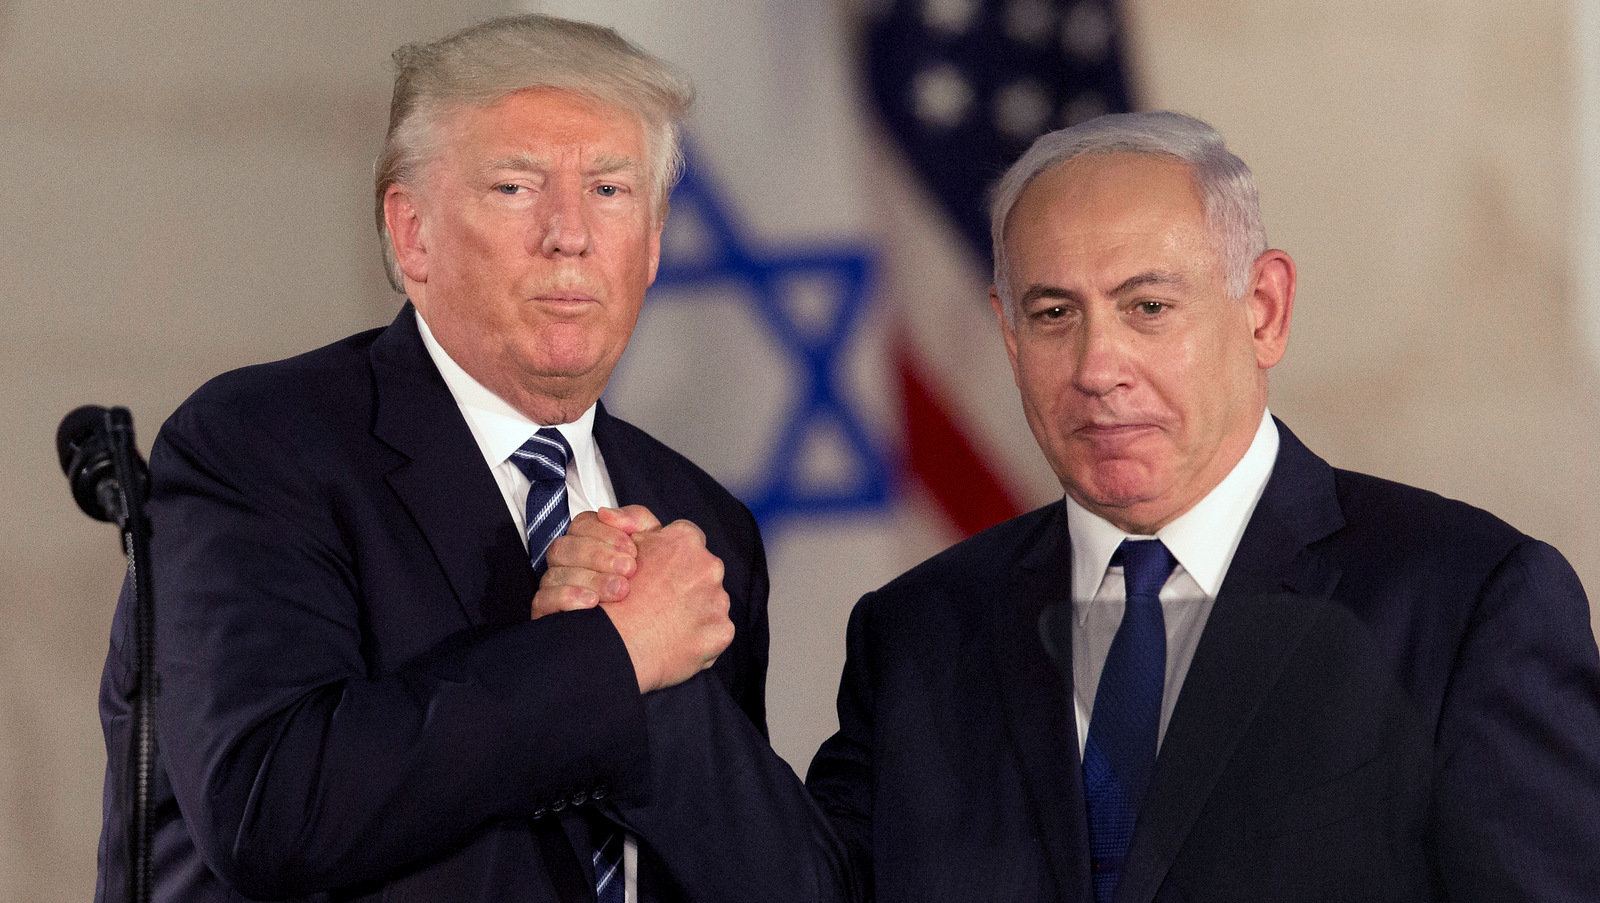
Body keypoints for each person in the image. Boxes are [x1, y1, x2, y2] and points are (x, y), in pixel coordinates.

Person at [559, 111, 1600, 900]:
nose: (1099, 365)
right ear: (1008, 338)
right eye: (1054, 314)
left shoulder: (1466, 602)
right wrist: (633, 671)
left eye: (1149, 307)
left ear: (1263, 309)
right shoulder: (920, 630)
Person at [94, 14, 839, 903]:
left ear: (653, 241)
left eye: (609, 190)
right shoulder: (263, 445)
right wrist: (607, 653)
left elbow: (781, 882)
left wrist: (653, 674)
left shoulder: (698, 520)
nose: (570, 234)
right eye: (516, 187)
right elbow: (269, 805)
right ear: (412, 234)